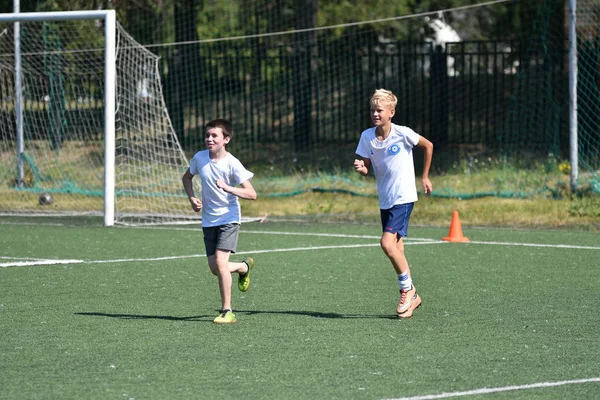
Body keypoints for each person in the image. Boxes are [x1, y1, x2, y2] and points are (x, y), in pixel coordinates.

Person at [353, 89, 433, 318]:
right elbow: (367, 167)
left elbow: (428, 146)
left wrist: (425, 176)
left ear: (391, 112)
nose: (375, 114)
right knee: (396, 246)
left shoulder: (403, 133)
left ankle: (407, 289)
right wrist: (362, 169)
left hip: (404, 197)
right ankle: (413, 299)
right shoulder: (367, 136)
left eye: (380, 110)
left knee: (387, 244)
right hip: (386, 199)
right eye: (372, 110)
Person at [182, 119, 257, 324]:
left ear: (226, 139)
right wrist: (192, 199)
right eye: (207, 135)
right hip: (208, 220)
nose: (209, 139)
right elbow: (186, 178)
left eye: (214, 136)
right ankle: (243, 267)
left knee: (222, 265)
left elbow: (252, 194)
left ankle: (227, 311)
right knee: (215, 268)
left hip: (229, 219)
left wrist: (228, 188)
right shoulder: (199, 158)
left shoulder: (232, 163)